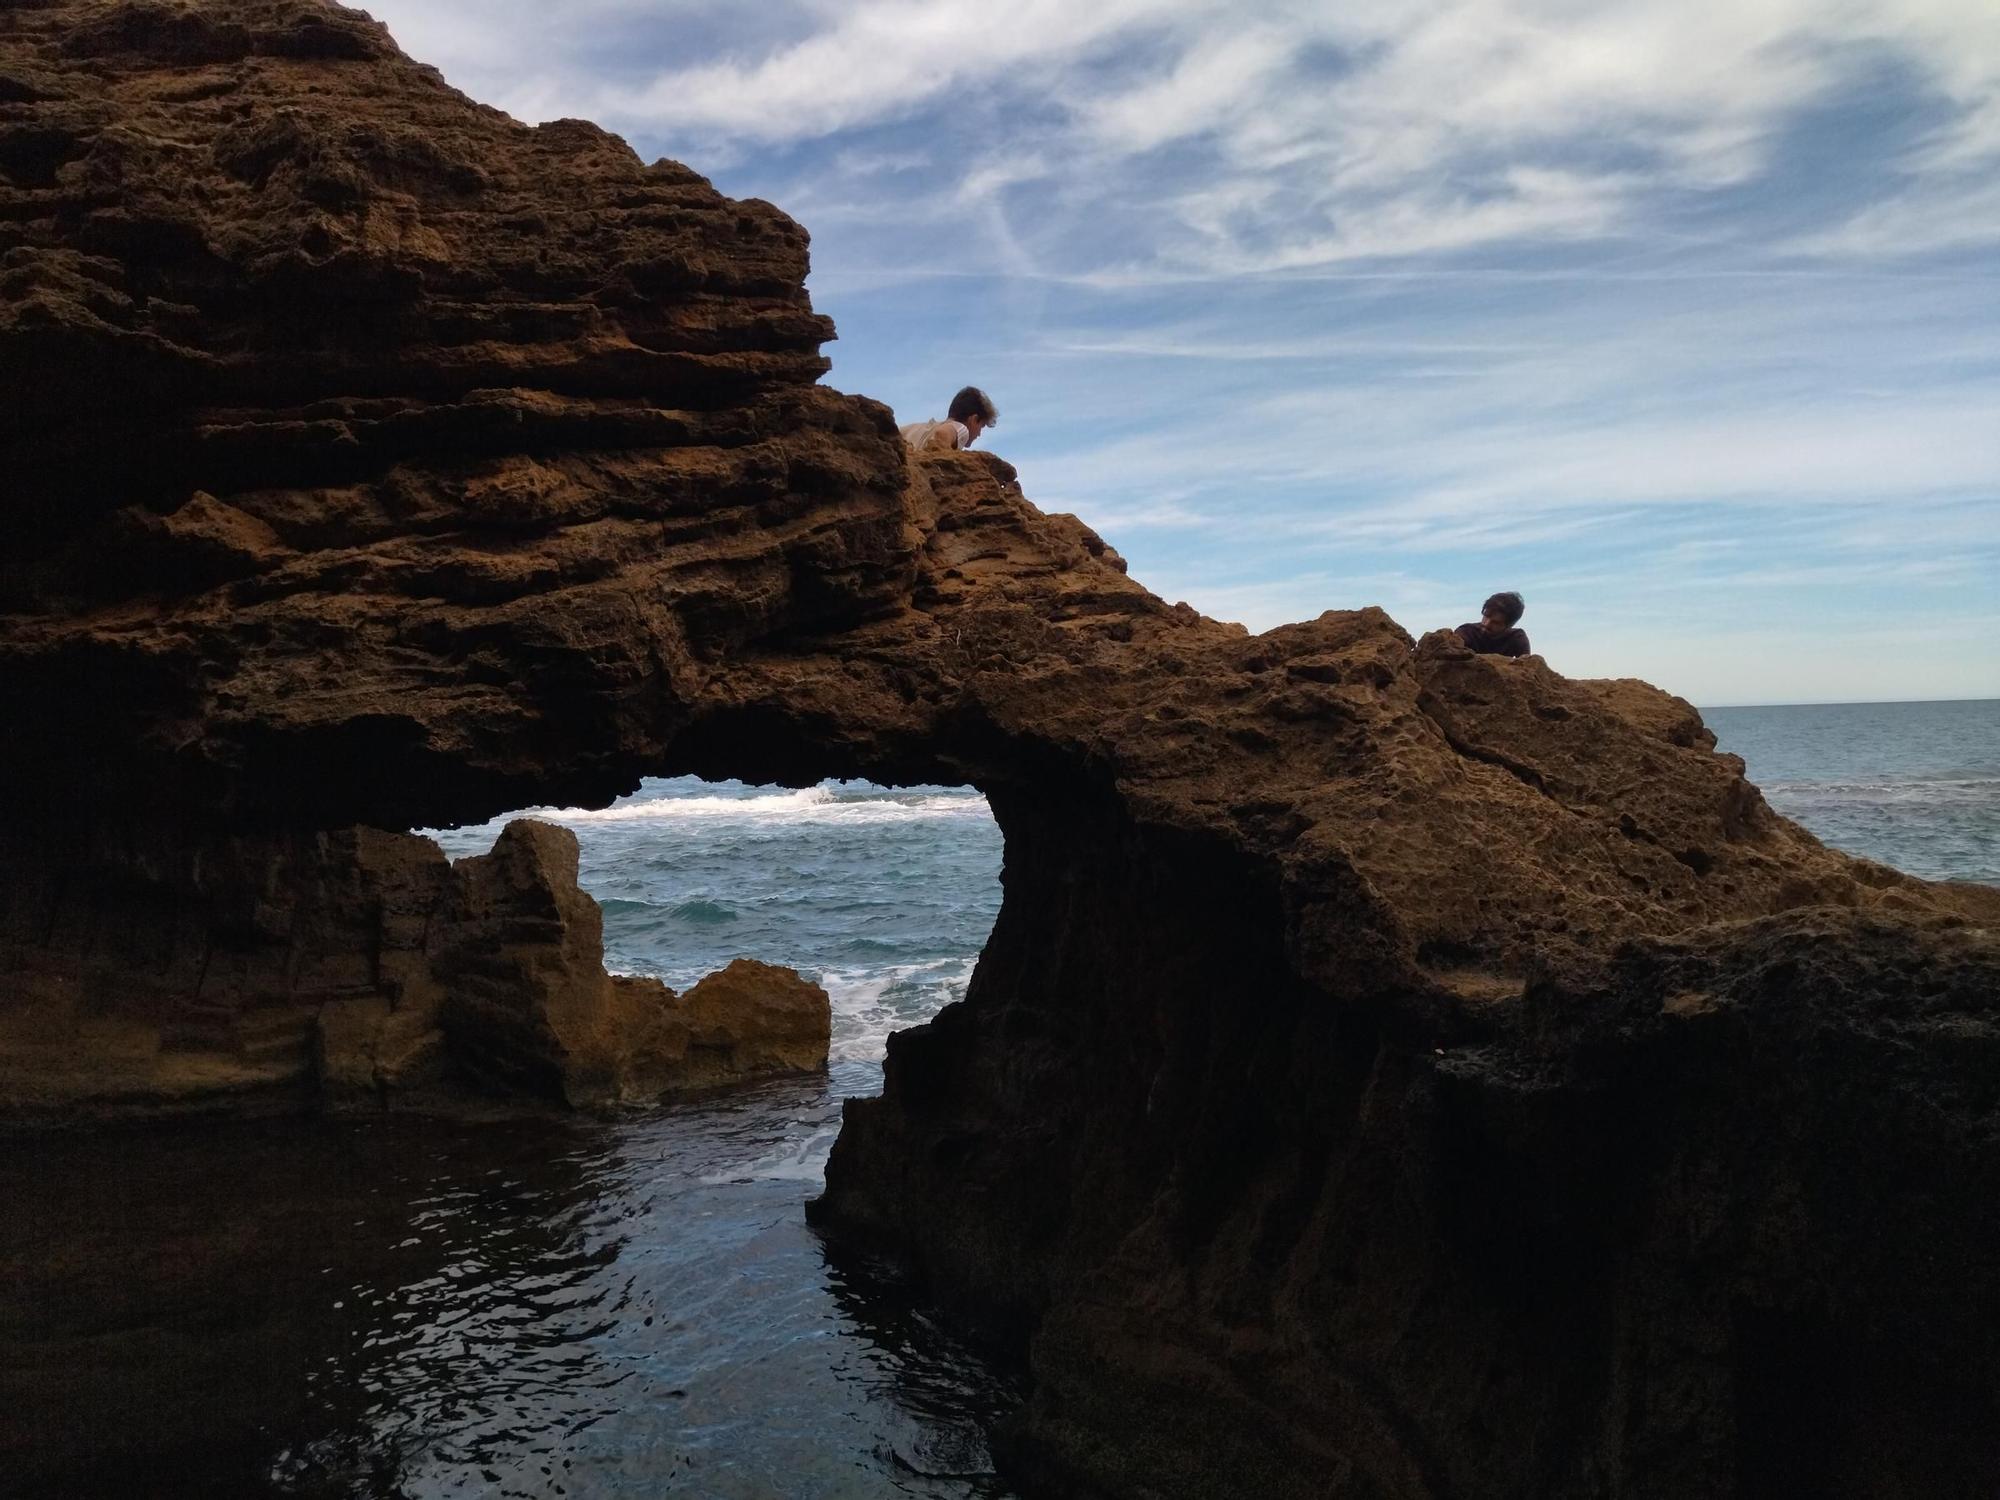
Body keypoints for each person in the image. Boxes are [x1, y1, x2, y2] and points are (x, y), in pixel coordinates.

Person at [900, 386, 998, 452]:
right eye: (982, 426)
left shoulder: (913, 428)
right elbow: (942, 434)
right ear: (973, 420)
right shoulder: (961, 429)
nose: (980, 434)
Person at [1454, 592, 1531, 657]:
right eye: (1486, 616)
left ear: (1508, 625)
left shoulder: (1516, 638)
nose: (1486, 624)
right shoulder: (1466, 632)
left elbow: (1528, 670)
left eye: (1495, 622)